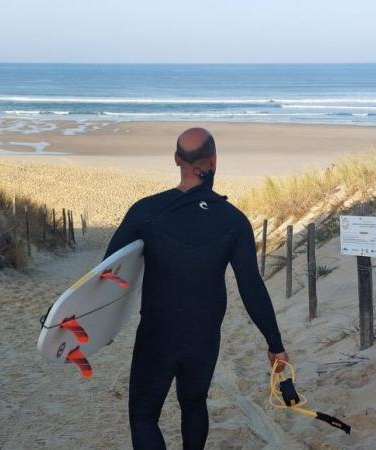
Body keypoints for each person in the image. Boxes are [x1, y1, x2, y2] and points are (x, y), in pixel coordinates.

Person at [104, 128, 289, 450]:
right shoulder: (234, 221)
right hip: (203, 337)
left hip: (157, 334)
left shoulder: (146, 211)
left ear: (176, 159)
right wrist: (275, 344)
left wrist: (89, 325)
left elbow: (108, 271)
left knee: (144, 416)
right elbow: (251, 285)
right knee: (193, 404)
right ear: (214, 160)